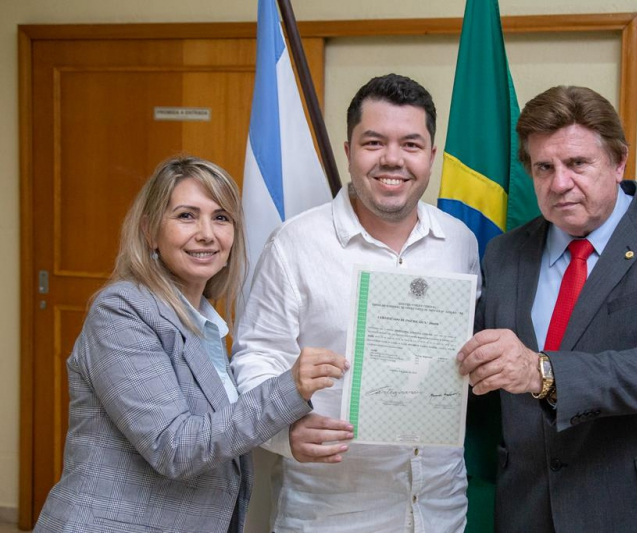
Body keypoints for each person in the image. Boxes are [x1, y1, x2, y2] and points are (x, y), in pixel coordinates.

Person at [457, 86, 637, 532]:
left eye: (577, 163)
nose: (559, 183)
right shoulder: (504, 254)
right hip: (530, 510)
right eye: (544, 167)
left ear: (618, 160)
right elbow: (466, 369)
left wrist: (541, 372)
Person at [35, 156, 347, 533]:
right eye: (186, 216)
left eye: (221, 218)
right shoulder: (121, 312)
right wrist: (289, 388)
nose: (207, 234)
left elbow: (222, 432)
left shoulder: (206, 326)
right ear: (150, 231)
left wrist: (291, 431)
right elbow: (175, 447)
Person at [232, 74, 480, 532]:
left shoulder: (460, 242)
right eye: (373, 142)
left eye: (410, 144)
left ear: (431, 156)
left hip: (440, 513)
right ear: (349, 152)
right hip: (332, 515)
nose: (392, 159)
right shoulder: (295, 244)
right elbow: (255, 358)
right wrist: (284, 432)